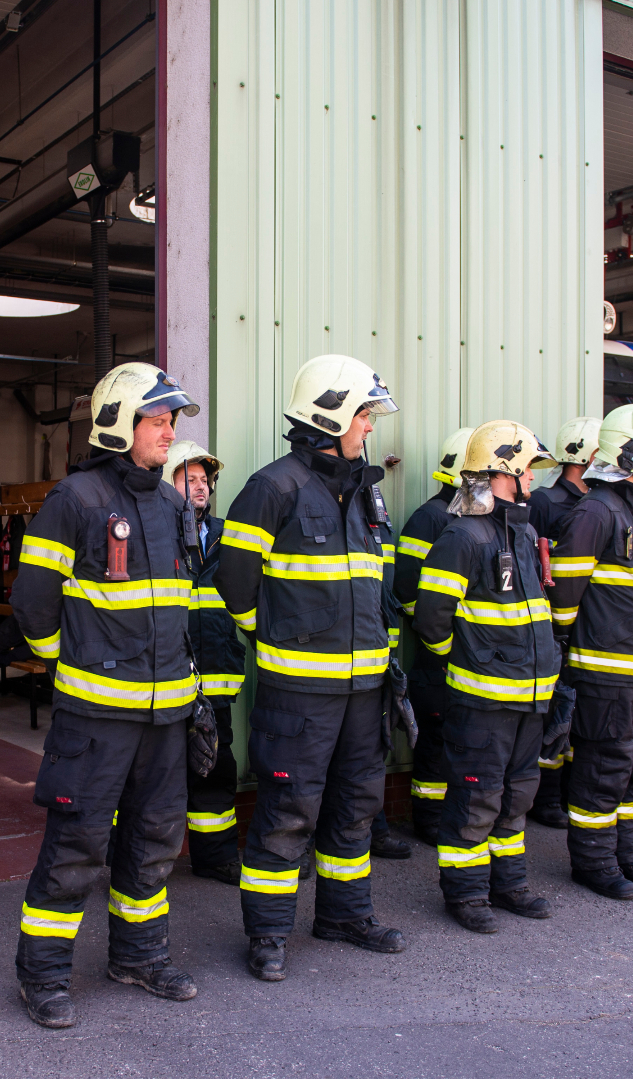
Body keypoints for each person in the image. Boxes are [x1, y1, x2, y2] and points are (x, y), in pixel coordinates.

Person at [10, 362, 203, 1027]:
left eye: (171, 419)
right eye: (157, 419)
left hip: (163, 718)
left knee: (153, 843)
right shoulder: (76, 499)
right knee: (77, 847)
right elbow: (33, 606)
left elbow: (184, 608)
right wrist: (74, 667)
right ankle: (43, 977)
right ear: (120, 424)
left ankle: (140, 954)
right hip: (95, 721)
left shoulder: (176, 506)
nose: (169, 429)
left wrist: (191, 694)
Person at [216, 354, 407, 981]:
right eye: (363, 414)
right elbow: (235, 585)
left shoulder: (363, 490)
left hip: (362, 690)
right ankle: (269, 934)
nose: (370, 427)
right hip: (299, 693)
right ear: (330, 415)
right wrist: (275, 644)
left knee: (357, 804)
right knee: (288, 811)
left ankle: (345, 915)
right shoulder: (273, 488)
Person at [414, 420, 562, 932]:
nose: (534, 482)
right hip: (483, 701)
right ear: (504, 473)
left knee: (517, 794)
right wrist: (472, 663)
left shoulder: (521, 531)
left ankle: (510, 884)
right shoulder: (462, 535)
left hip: (530, 697)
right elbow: (431, 618)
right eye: (528, 471)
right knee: (476, 796)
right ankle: (467, 893)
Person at [547, 404, 633, 896]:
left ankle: (627, 855)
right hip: (606, 670)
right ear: (629, 452)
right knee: (603, 766)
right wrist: (575, 646)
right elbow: (565, 591)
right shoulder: (597, 509)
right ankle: (593, 861)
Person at [163, 441, 247, 886]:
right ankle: (130, 864)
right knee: (151, 776)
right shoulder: (151, 533)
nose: (200, 488)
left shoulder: (226, 536)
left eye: (204, 481)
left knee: (216, 770)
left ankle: (214, 858)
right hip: (161, 683)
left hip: (214, 683)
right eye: (189, 479)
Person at [391, 427, 475, 845]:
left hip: (468, 656)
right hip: (437, 656)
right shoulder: (432, 517)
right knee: (436, 739)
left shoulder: (471, 520)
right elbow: (406, 587)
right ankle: (428, 819)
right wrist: (439, 637)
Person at [525, 415, 600, 830]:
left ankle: (572, 792)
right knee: (555, 714)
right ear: (586, 455)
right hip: (557, 626)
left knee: (581, 715)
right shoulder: (546, 504)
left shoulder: (599, 505)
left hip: (591, 625)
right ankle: (547, 798)